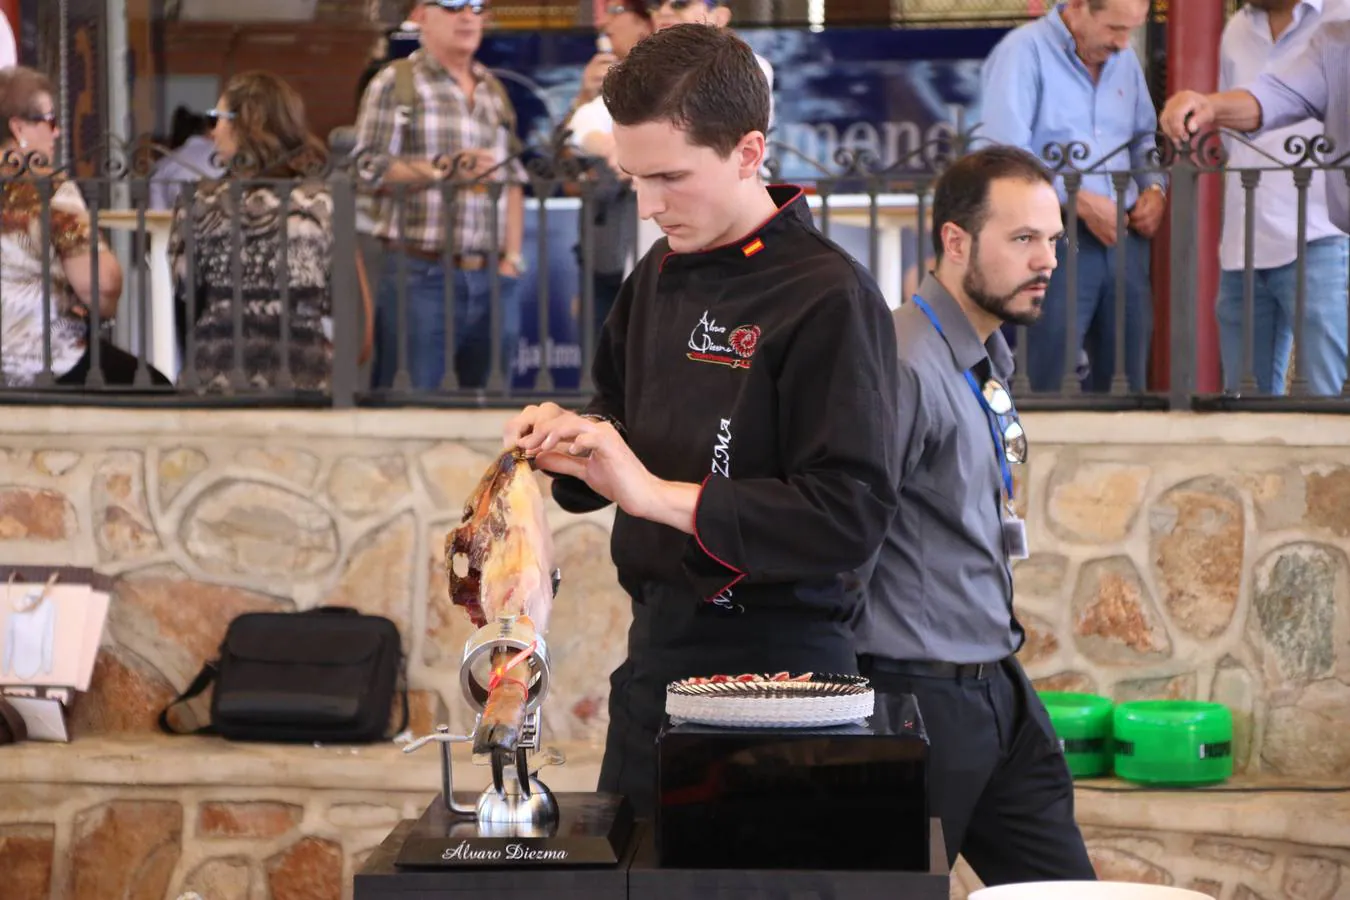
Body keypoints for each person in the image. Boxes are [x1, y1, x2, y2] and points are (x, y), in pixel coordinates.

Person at [503, 24, 900, 817]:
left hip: (784, 682)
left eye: (671, 179)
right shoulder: (658, 273)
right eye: (633, 179)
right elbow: (621, 416)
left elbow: (847, 514)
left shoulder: (829, 296)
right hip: (655, 664)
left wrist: (649, 493)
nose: (649, 208)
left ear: (749, 152)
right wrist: (573, 443)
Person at [857, 146, 1096, 884]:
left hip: (996, 686)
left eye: (1053, 239)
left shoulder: (983, 352)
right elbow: (846, 542)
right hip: (916, 701)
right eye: (1023, 239)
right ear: (954, 242)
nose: (1047, 259)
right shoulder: (902, 361)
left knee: (1065, 893)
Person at [1162, 3, 1350, 397]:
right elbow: (1277, 94)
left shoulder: (1337, 16)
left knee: (1325, 393)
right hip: (1246, 237)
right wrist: (1209, 106)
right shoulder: (1244, 31)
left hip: (1322, 232)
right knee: (1246, 399)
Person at [979, 0, 1165, 394]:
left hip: (1124, 237)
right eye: (1114, 28)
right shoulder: (1022, 52)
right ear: (1078, 7)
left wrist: (1154, 187)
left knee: (1127, 379)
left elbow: (1143, 138)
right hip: (1052, 240)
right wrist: (1075, 198)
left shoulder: (1124, 57)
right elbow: (1002, 156)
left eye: (1130, 30)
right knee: (1048, 375)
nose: (1122, 42)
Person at [353, 0, 526, 391]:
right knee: (412, 403)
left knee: (493, 412)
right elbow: (366, 169)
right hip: (420, 273)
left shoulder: (492, 89)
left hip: (491, 274)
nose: (467, 15)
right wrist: (443, 168)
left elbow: (513, 179)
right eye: (451, 5)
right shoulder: (397, 83)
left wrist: (511, 260)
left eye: (476, 6)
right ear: (420, 15)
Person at [169, 71, 372, 392]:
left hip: (218, 368)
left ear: (245, 124)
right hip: (304, 370)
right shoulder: (322, 201)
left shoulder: (199, 200)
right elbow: (338, 294)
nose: (213, 131)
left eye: (218, 118)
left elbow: (185, 287)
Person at [0, 67, 168, 388]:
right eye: (49, 121)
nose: (58, 132)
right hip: (45, 359)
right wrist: (98, 307)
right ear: (18, 127)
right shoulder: (47, 189)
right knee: (157, 388)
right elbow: (102, 283)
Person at [563, 0, 652, 338]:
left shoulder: (664, 78)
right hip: (602, 246)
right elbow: (564, 161)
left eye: (615, 12)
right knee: (601, 360)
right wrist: (585, 97)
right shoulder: (594, 96)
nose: (605, 24)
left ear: (644, 23)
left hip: (650, 242)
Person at [149, 106, 223, 212]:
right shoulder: (223, 154)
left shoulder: (164, 165)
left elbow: (157, 215)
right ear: (206, 130)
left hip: (182, 225)